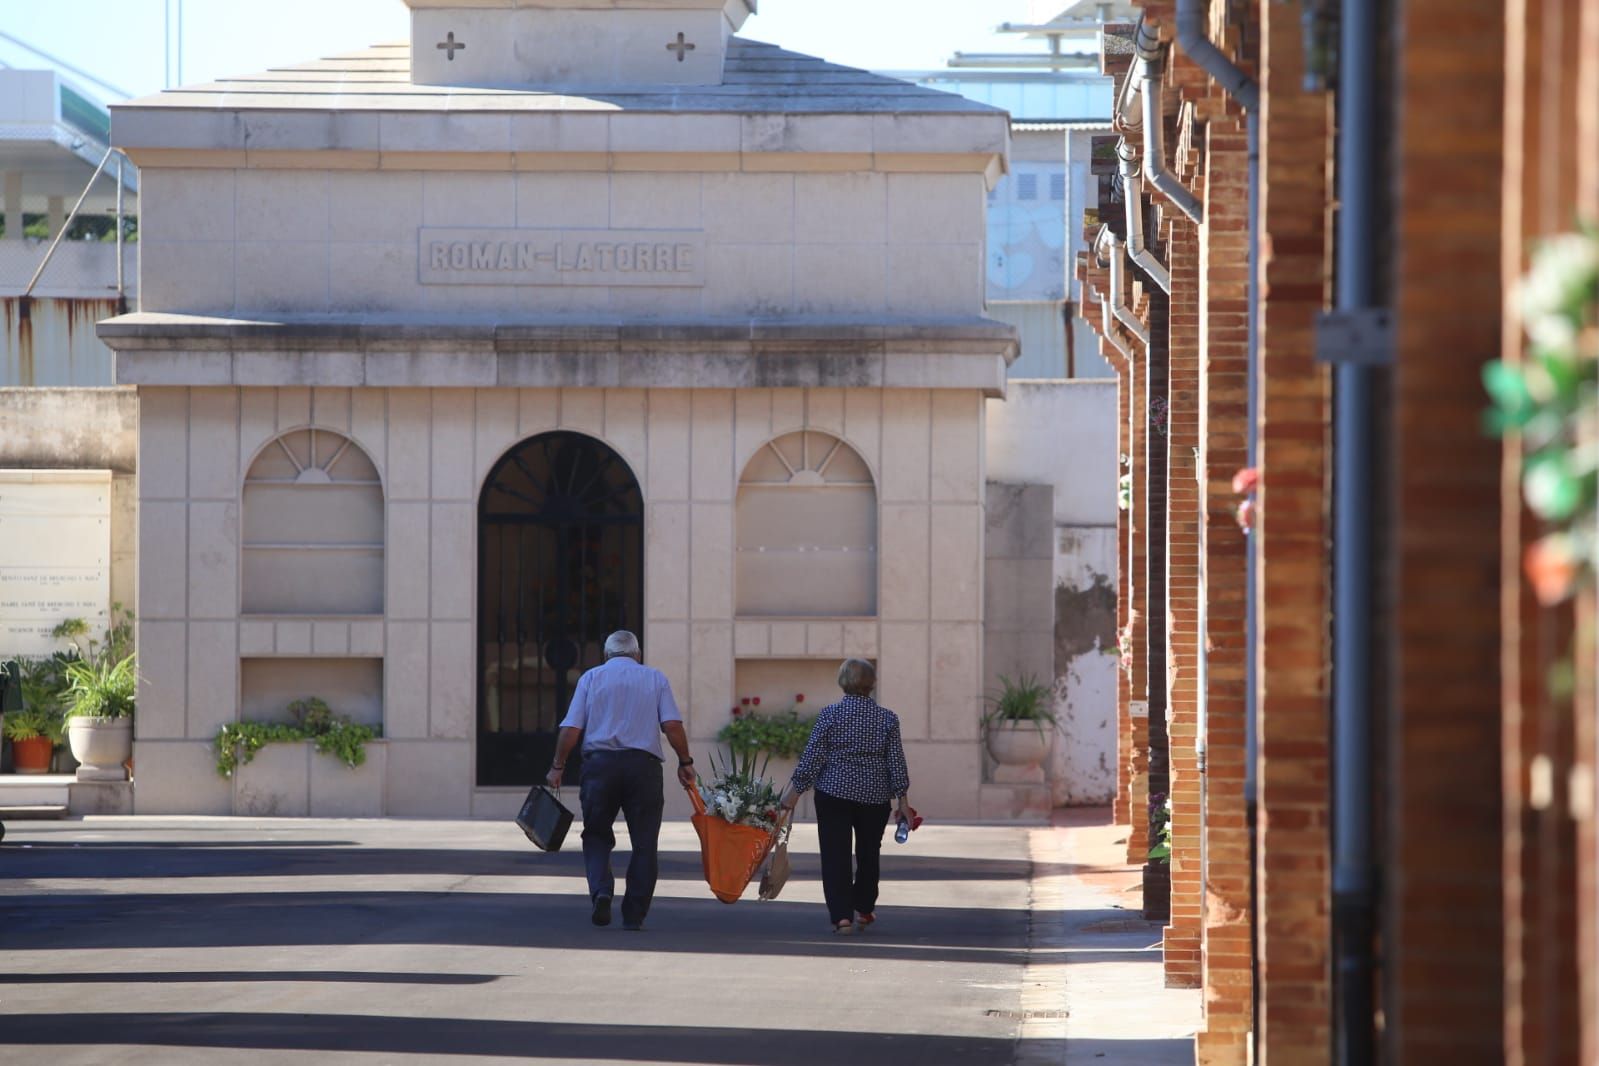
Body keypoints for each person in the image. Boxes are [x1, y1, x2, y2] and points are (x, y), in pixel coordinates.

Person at [546, 631, 697, 931]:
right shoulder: (654, 678)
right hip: (643, 768)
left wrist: (557, 766)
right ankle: (634, 914)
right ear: (637, 655)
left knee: (596, 834)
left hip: (600, 767)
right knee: (644, 843)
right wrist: (685, 761)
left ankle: (601, 891)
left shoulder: (591, 678)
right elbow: (672, 725)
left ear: (606, 655)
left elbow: (571, 728)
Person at [780, 658, 913, 936]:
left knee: (835, 855)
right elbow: (896, 762)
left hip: (834, 793)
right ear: (872, 683)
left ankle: (842, 917)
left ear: (842, 682)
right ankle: (864, 907)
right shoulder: (887, 718)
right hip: (875, 797)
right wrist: (903, 802)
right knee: (868, 853)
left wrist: (793, 794)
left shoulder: (830, 715)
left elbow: (813, 757)